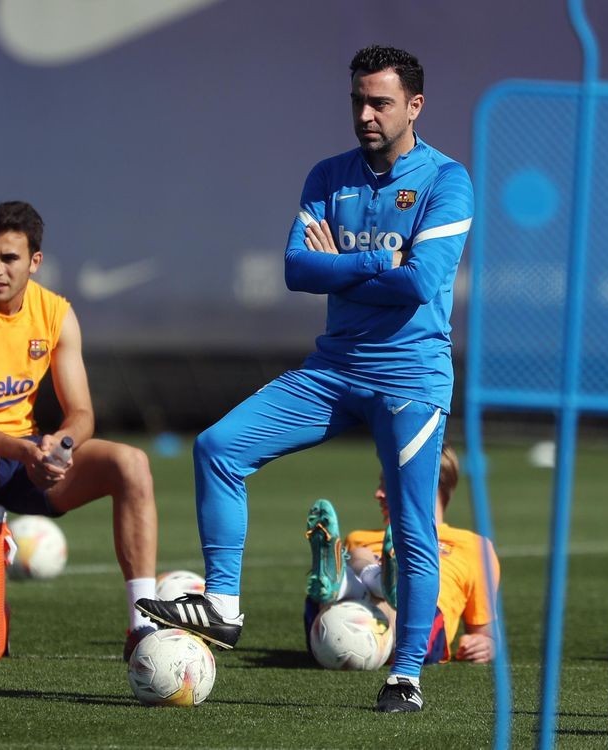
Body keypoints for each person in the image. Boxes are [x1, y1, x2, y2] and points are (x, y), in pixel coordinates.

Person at [135, 45, 473, 713]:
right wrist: (381, 262)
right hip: (335, 369)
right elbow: (298, 270)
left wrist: (345, 264)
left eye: (381, 101)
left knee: (411, 527)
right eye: (359, 100)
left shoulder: (447, 180)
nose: (367, 113)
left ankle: (405, 674)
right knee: (218, 447)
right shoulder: (329, 176)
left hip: (410, 379)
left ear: (415, 106)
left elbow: (424, 283)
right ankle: (224, 606)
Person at [0, 200, 158, 662]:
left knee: (132, 463)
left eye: (9, 258)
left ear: (35, 262)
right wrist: (25, 451)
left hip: (23, 454)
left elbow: (81, 412)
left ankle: (142, 627)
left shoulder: (57, 314)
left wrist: (60, 447)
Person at [303, 444, 498, 666]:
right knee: (359, 553)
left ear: (423, 486)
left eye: (388, 485)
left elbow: (484, 632)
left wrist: (485, 643)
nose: (378, 494)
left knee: (412, 595)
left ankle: (396, 586)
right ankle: (382, 583)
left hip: (415, 626)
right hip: (343, 623)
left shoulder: (473, 546)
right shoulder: (360, 537)